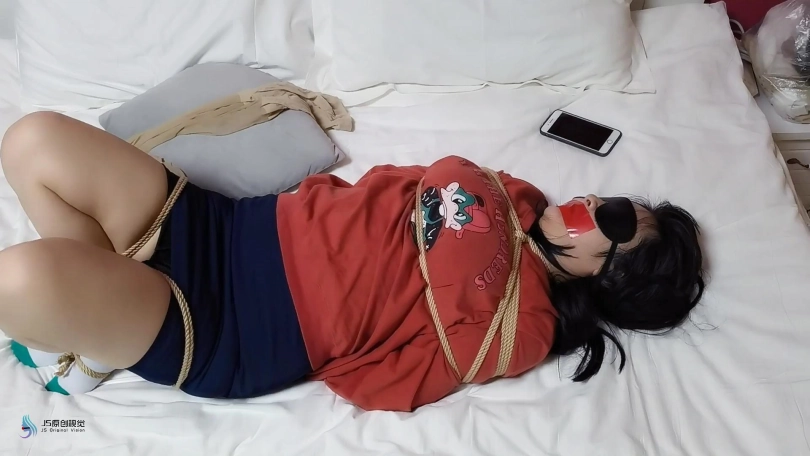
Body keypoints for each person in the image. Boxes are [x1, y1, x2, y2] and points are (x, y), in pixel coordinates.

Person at [0, 112, 704, 412]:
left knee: (22, 278)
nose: (593, 201)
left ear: (607, 272)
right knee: (34, 140)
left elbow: (385, 383)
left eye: (613, 220)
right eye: (614, 199)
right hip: (235, 227)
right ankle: (97, 332)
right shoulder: (516, 196)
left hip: (240, 327)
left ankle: (94, 326)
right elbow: (411, 182)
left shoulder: (527, 327)